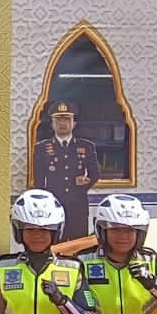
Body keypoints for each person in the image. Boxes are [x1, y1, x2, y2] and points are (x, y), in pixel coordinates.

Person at [31, 102, 100, 240]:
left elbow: (95, 174)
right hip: (53, 206)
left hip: (78, 207)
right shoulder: (42, 148)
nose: (63, 123)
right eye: (59, 120)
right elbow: (39, 181)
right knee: (55, 245)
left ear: (74, 123)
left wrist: (84, 183)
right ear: (52, 124)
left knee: (78, 245)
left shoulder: (86, 147)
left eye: (67, 119)